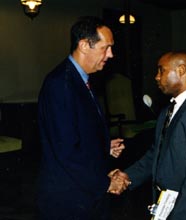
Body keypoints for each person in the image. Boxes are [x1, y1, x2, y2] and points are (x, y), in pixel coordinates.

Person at [109, 51, 186, 220]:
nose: (157, 77)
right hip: (168, 204)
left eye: (161, 70)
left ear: (181, 70)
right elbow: (156, 155)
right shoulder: (168, 110)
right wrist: (128, 176)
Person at [37, 16, 128, 220]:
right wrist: (107, 183)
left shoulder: (80, 79)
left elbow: (76, 134)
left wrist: (104, 146)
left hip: (84, 194)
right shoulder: (60, 84)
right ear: (84, 45)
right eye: (106, 48)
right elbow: (66, 152)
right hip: (68, 201)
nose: (111, 55)